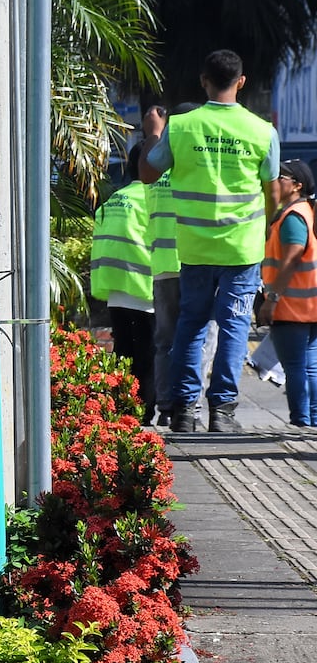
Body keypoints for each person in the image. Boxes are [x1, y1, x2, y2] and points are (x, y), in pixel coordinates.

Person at [140, 49, 281, 433]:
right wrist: (264, 230)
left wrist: (153, 135)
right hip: (241, 248)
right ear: (242, 82)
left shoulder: (182, 126)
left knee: (192, 323)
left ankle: (184, 411)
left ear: (203, 80)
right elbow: (272, 195)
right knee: (234, 326)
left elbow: (149, 174)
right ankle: (223, 412)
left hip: (195, 246)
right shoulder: (262, 131)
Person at [140, 102, 218, 427]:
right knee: (201, 339)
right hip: (196, 261)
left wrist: (153, 134)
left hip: (163, 267)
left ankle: (167, 406)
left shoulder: (155, 171)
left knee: (165, 342)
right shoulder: (195, 164)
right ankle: (191, 407)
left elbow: (146, 168)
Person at [91, 145, 155, 423]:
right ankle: (145, 413)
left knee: (124, 355)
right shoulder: (152, 199)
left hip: (114, 288)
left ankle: (122, 411)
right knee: (147, 357)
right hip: (144, 289)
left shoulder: (115, 198)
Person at [258, 158, 317, 426]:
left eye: (280, 176)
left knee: (295, 368)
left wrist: (271, 300)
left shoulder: (293, 217)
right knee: (309, 367)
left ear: (297, 185)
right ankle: (311, 420)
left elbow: (292, 258)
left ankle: (301, 420)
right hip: (308, 304)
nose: (274, 181)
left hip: (291, 305)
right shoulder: (305, 211)